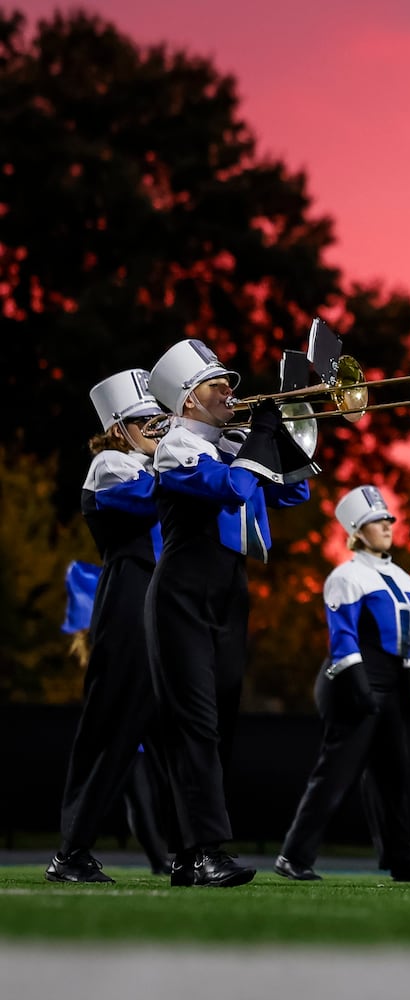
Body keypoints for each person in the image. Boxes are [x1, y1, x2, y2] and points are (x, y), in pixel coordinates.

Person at [145, 339, 312, 887]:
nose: (233, 393)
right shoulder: (176, 446)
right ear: (189, 401)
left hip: (229, 589)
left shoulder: (232, 444)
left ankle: (187, 855)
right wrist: (258, 437)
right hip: (183, 590)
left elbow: (296, 493)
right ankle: (206, 850)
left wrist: (288, 430)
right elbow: (230, 489)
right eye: (219, 386)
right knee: (193, 724)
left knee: (218, 726)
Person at [275, 486, 410, 883]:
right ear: (356, 529)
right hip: (352, 681)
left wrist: (405, 687)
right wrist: (360, 688)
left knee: (394, 775)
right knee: (335, 773)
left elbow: (401, 638)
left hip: (387, 682)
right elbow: (342, 638)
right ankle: (294, 856)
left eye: (388, 519)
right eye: (377, 520)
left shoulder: (402, 576)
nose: (387, 525)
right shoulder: (346, 575)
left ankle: (400, 858)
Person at [48, 370, 174, 883]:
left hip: (163, 600)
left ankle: (192, 849)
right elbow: (154, 498)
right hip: (128, 594)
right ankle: (72, 850)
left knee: (175, 737)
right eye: (146, 420)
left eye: (158, 418)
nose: (157, 427)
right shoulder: (110, 464)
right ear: (119, 427)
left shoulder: (156, 463)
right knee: (113, 727)